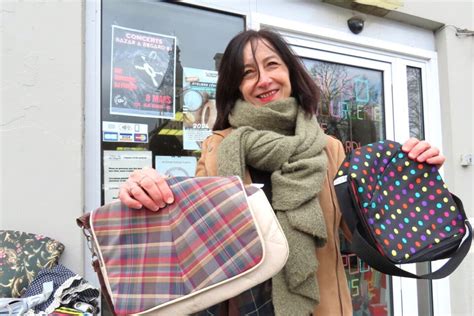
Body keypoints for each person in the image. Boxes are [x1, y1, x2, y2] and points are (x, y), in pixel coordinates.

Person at [119, 29, 445, 316]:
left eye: (272, 64)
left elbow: (363, 230)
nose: (264, 79)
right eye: (248, 73)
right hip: (244, 307)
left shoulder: (329, 148)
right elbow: (188, 228)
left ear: (290, 71)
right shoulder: (218, 148)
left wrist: (411, 180)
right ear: (236, 87)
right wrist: (144, 191)